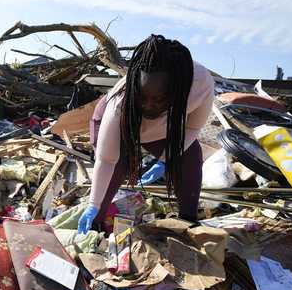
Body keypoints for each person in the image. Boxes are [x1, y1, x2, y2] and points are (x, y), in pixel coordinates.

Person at [77, 34, 214, 234]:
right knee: (117, 166)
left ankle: (188, 221)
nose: (149, 105)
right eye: (143, 97)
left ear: (178, 90)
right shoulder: (120, 101)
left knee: (190, 156)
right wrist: (93, 204)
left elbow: (192, 128)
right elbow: (106, 160)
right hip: (121, 123)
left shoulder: (200, 85)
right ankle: (96, 224)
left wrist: (166, 159)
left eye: (159, 99)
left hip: (163, 128)